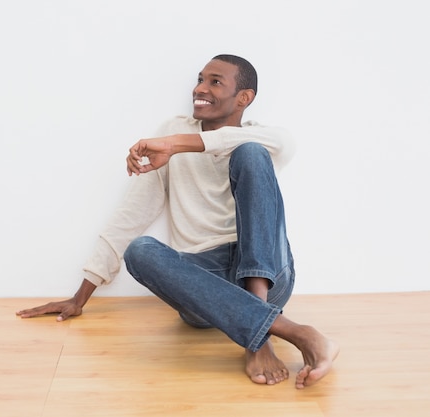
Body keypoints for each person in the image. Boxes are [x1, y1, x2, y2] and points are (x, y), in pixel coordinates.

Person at [17, 54, 339, 389]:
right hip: (201, 286)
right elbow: (131, 216)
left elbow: (248, 142)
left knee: (250, 153)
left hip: (270, 277)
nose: (200, 88)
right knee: (140, 251)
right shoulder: (172, 131)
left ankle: (256, 337)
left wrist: (175, 145)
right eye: (200, 79)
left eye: (215, 82)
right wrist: (79, 297)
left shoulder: (265, 139)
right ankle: (294, 334)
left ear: (244, 98)